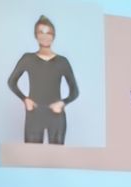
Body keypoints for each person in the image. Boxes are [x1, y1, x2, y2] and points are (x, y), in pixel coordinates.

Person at [8, 15, 79, 145]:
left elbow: (75, 91)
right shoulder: (28, 59)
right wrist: (25, 99)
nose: (45, 36)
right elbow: (11, 82)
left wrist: (62, 103)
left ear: (53, 35)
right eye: (41, 32)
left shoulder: (62, 61)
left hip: (56, 116)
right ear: (36, 35)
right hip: (34, 114)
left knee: (56, 155)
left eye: (48, 32)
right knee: (32, 154)